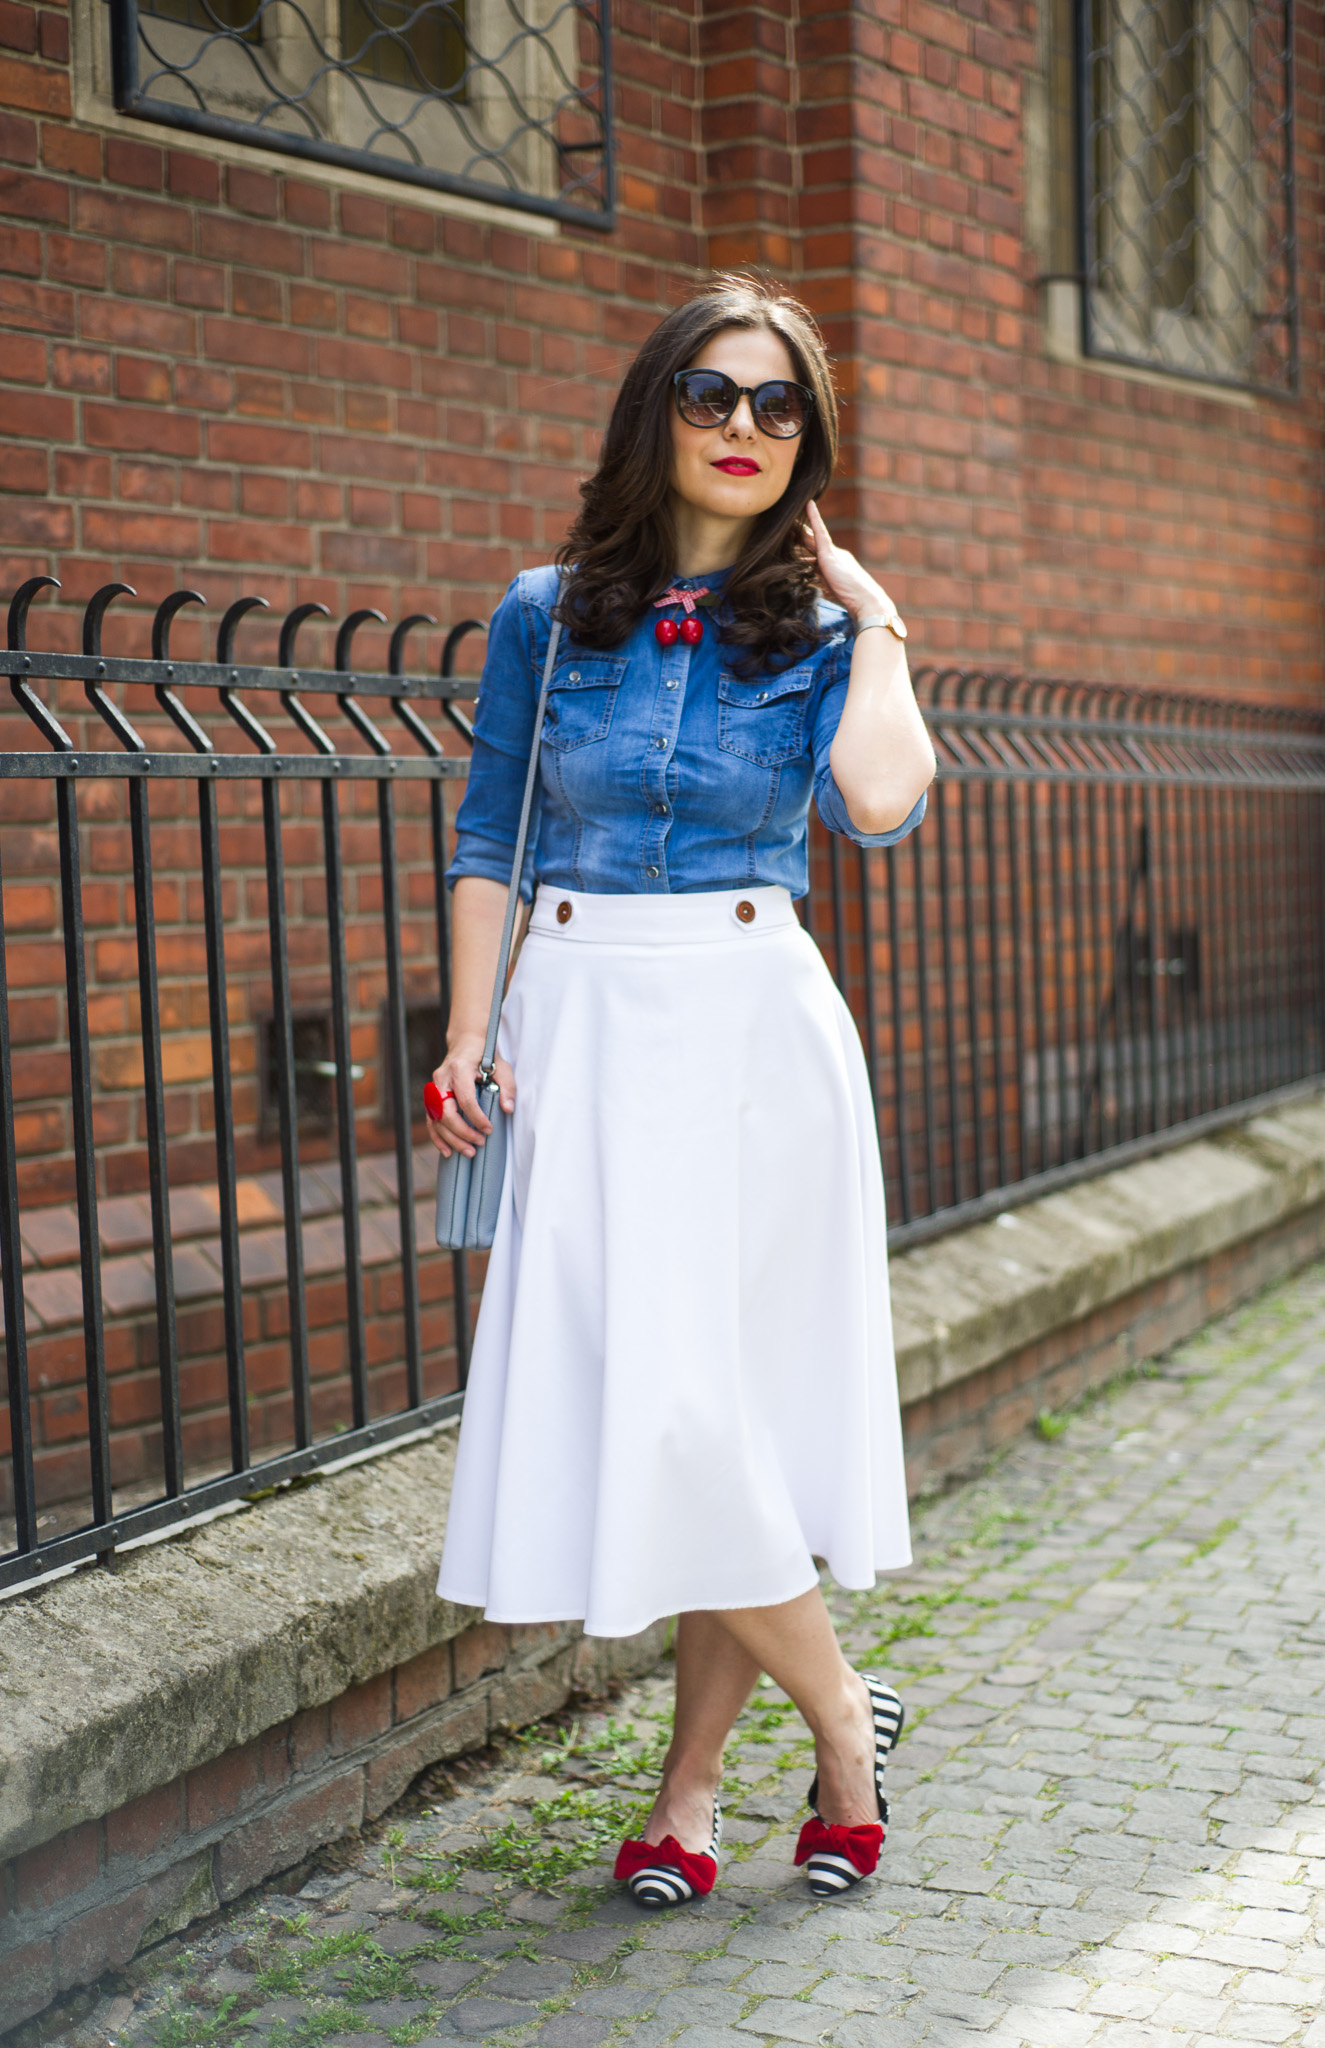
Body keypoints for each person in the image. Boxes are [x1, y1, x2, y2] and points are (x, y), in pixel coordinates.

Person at [426, 275, 936, 1907]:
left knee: (724, 1407)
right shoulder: (543, 610)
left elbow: (876, 804)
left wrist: (881, 620)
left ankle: (695, 1792)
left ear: (810, 441)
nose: (741, 429)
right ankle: (842, 1721)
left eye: (777, 407)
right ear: (658, 411)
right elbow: (489, 831)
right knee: (673, 1402)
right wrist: (464, 1030)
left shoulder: (822, 634)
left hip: (747, 1028)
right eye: (712, 396)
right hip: (578, 1019)